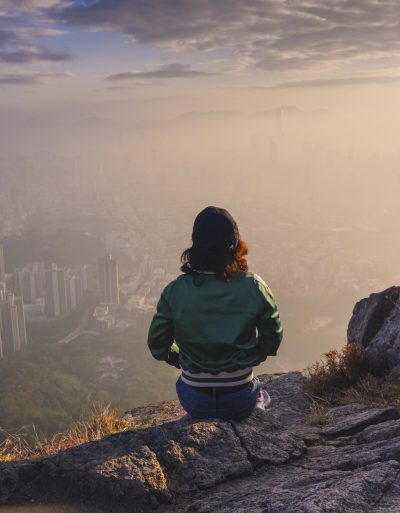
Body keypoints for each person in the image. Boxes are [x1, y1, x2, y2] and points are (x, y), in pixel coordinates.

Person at [147, 206, 283, 421]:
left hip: (195, 401)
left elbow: (157, 344)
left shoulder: (175, 291)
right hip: (240, 398)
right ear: (235, 244)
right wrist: (255, 356)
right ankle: (257, 399)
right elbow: (273, 336)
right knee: (256, 389)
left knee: (184, 384)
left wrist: (180, 359)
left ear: (195, 245)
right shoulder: (255, 287)